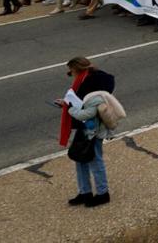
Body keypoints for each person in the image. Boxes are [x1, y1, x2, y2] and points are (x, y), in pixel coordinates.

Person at [58, 56, 115, 207]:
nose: (71, 75)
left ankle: (103, 194)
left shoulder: (91, 85)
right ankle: (85, 192)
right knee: (80, 157)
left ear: (77, 69)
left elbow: (87, 111)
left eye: (71, 72)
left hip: (92, 126)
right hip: (86, 126)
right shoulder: (97, 78)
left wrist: (69, 107)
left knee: (94, 159)